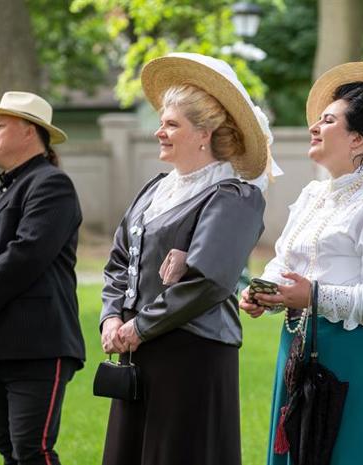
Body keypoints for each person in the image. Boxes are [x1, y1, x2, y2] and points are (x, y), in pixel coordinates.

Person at [240, 57, 363, 465]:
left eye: (328, 121)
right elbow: (285, 260)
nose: (314, 127)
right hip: (302, 347)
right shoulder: (313, 196)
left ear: (358, 140)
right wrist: (268, 291)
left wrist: (314, 296)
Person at [99, 52, 272, 465]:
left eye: (171, 124)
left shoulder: (233, 197)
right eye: (162, 122)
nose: (159, 132)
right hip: (137, 350)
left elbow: (208, 280)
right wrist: (112, 318)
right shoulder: (154, 189)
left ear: (203, 134)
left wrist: (141, 326)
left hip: (192, 353)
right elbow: (120, 259)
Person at [0, 91, 85, 465]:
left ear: (29, 131)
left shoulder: (51, 185)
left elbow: (27, 254)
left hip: (37, 345)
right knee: (8, 449)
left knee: (31, 451)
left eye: (0, 126)